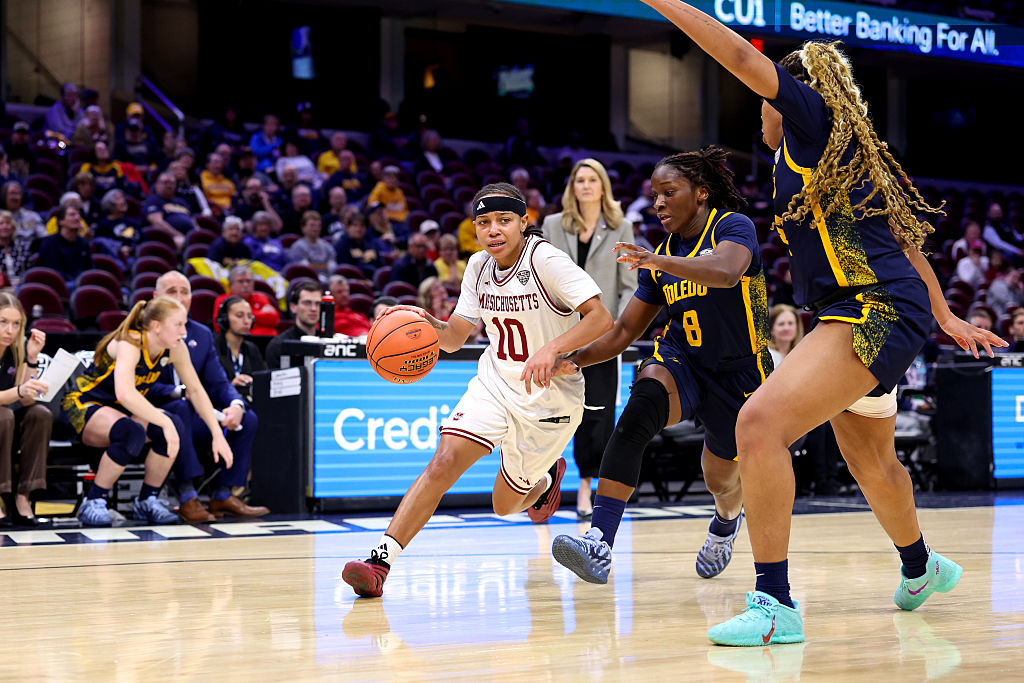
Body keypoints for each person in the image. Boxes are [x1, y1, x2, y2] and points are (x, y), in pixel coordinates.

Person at [639, 0, 1005, 646]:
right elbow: (902, 233)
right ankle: (921, 568)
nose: (759, 110)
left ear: (792, 96)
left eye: (764, 101)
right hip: (877, 308)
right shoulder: (838, 153)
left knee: (757, 423)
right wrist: (944, 312)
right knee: (872, 463)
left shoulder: (812, 123)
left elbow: (741, 58)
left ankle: (775, 602)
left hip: (871, 308)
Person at [342, 182, 613, 599]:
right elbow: (453, 339)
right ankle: (380, 562)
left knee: (503, 506)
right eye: (484, 222)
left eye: (504, 220)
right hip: (495, 382)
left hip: (550, 396)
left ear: (524, 222)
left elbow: (601, 319)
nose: (493, 230)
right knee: (443, 462)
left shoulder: (546, 260)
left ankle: (544, 479)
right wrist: (418, 320)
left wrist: (553, 348)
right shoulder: (477, 267)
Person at [550, 146, 770, 579]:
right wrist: (572, 358)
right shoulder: (660, 259)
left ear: (701, 192)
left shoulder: (732, 226)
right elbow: (622, 333)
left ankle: (726, 523)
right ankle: (599, 542)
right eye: (655, 195)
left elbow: (726, 272)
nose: (659, 203)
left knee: (720, 479)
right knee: (638, 410)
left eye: (669, 192)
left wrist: (656, 260)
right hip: (682, 360)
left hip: (741, 371)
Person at [63, 297, 233, 526]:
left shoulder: (175, 347)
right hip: (83, 404)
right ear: (156, 326)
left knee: (173, 423)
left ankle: (147, 500)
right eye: (178, 325)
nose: (184, 331)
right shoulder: (130, 342)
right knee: (136, 429)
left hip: (120, 410)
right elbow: (124, 393)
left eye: (185, 324)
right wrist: (164, 422)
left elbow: (196, 390)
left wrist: (216, 433)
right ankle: (93, 501)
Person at [542, 158, 637, 519]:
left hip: (602, 336)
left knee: (597, 413)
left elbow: (629, 287)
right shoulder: (553, 225)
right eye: (579, 180)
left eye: (591, 180)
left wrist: (616, 329)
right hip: (560, 333)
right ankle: (545, 482)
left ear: (602, 187)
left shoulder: (621, 226)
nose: (585, 185)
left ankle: (587, 484)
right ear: (572, 187)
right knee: (553, 411)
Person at [148, 273, 268, 522]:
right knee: (179, 408)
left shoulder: (201, 335)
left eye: (185, 291)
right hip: (153, 411)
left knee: (247, 418)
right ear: (155, 297)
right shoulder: (146, 330)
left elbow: (218, 382)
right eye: (172, 292)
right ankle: (187, 495)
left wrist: (235, 404)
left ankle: (224, 493)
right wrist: (178, 392)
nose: (180, 298)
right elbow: (140, 385)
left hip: (191, 412)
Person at [768, 304, 840, 495]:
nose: (786, 328)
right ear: (772, 328)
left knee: (829, 421)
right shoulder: (768, 356)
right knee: (818, 425)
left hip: (801, 411)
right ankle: (821, 480)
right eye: (781, 323)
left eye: (790, 323)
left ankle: (828, 479)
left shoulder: (801, 353)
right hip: (776, 417)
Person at [0, 295, 53, 526]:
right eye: (2, 322)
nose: (9, 330)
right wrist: (21, 390)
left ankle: (24, 496)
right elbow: (19, 393)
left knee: (40, 414)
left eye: (16, 324)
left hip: (7, 420)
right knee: (3, 415)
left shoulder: (16, 349)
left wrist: (31, 358)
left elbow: (28, 401)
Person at [214, 296, 269, 407]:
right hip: (220, 406)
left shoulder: (251, 349)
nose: (246, 321)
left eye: (249, 316)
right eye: (239, 316)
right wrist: (231, 385)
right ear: (224, 319)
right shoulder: (213, 348)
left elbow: (264, 379)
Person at [263, 281, 321, 368]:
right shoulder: (278, 345)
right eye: (307, 303)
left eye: (318, 304)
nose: (313, 308)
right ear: (293, 307)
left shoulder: (329, 343)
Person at [212, 265, 280, 336]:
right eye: (241, 281)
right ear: (230, 285)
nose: (245, 285)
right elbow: (219, 327)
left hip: (265, 340)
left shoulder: (261, 297)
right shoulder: (223, 300)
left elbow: (275, 320)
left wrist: (239, 315)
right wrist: (260, 316)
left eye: (248, 281)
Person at [36, 205, 92, 283]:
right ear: (61, 221)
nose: (77, 218)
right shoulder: (49, 243)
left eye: (79, 215)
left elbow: (90, 269)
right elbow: (53, 271)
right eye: (72, 215)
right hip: (55, 285)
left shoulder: (83, 243)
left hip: (80, 284)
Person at [141, 172, 194, 250]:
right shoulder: (153, 200)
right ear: (157, 184)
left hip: (188, 236)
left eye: (172, 183)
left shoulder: (182, 201)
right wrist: (178, 235)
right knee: (179, 241)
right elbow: (157, 223)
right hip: (168, 237)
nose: (169, 186)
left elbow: (192, 220)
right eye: (165, 182)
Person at [93, 189, 141, 266]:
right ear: (109, 204)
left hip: (137, 256)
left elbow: (144, 240)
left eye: (123, 198)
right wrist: (120, 250)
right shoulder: (103, 225)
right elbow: (104, 246)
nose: (123, 201)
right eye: (118, 199)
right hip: (117, 260)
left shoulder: (133, 222)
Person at [288, 211, 336, 279]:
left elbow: (332, 267)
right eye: (312, 225)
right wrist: (324, 266)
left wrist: (313, 265)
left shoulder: (327, 246)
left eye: (318, 225)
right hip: (307, 280)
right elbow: (304, 268)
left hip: (327, 279)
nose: (316, 229)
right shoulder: (298, 247)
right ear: (303, 228)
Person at [0, 210, 33, 286]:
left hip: (21, 285)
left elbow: (28, 270)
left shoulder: (22, 247)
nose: (4, 226)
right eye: (1, 223)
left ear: (13, 227)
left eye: (8, 223)